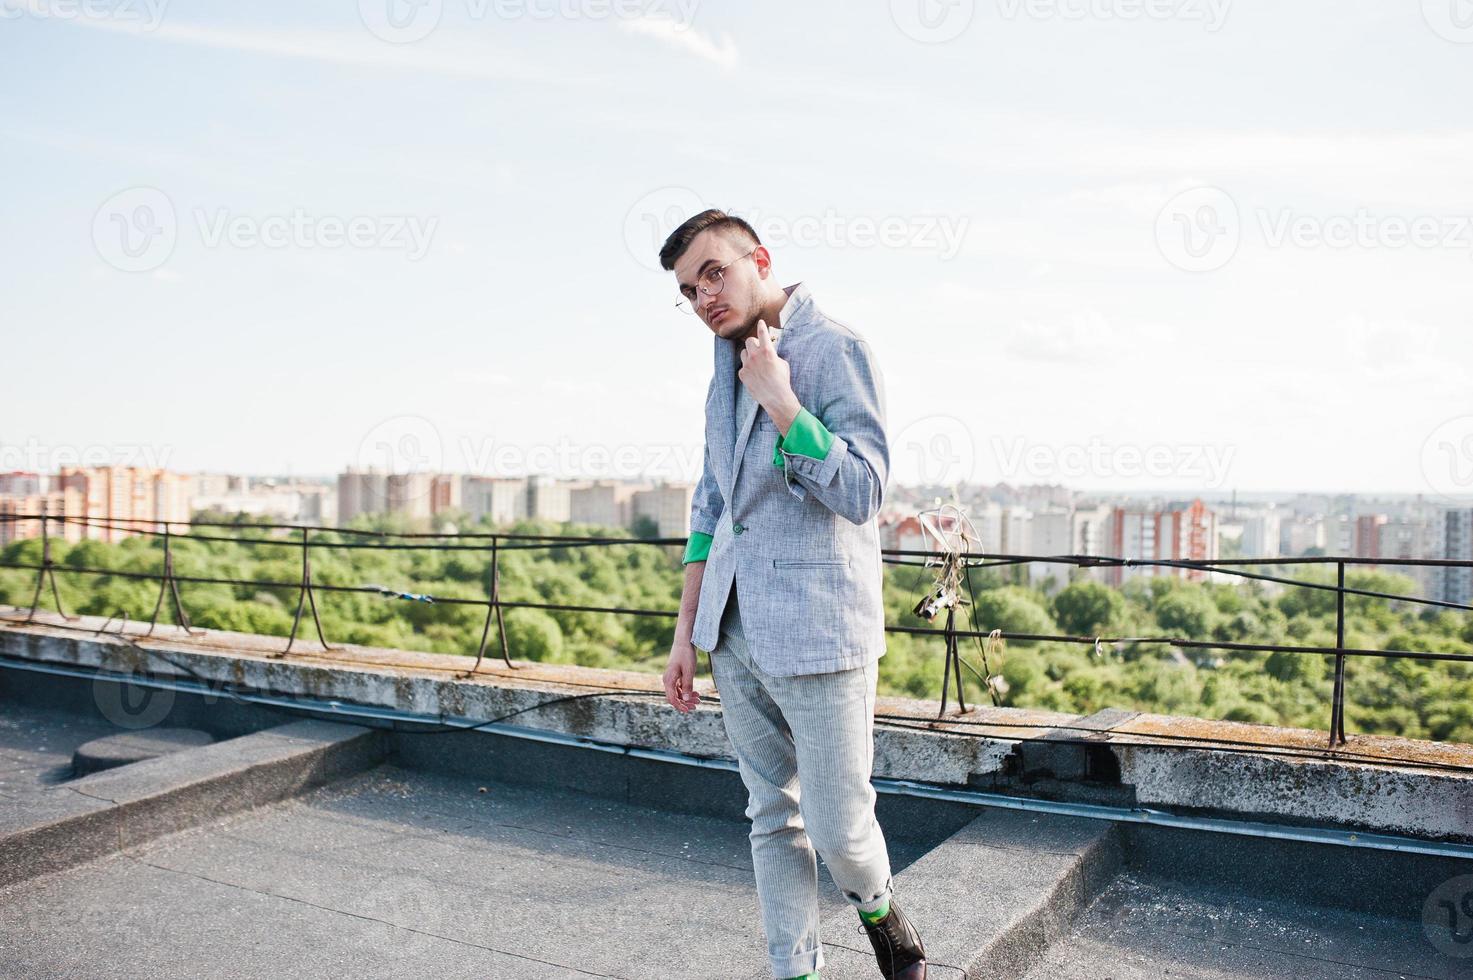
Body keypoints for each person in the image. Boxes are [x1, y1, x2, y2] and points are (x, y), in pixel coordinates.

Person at [659, 209, 928, 980]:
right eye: (688, 290)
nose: (705, 297)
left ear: (760, 260)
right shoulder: (721, 364)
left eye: (715, 273)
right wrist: (686, 633)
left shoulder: (835, 348)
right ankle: (795, 970)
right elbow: (711, 509)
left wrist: (783, 402)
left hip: (819, 632)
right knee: (770, 819)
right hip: (733, 631)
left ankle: (879, 910)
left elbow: (866, 493)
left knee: (840, 830)